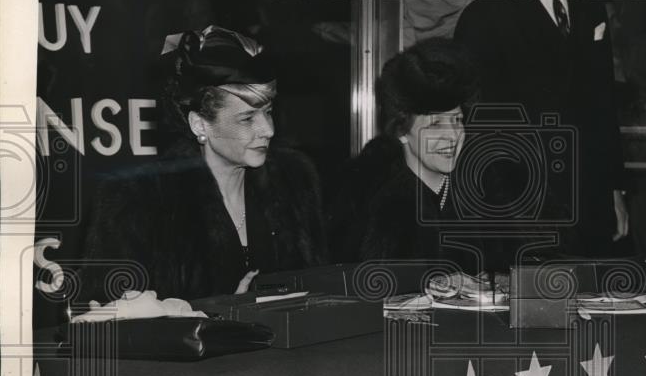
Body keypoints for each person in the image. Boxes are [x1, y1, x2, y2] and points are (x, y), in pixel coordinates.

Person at [80, 25, 326, 303]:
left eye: (268, 112)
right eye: (247, 119)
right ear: (199, 124)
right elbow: (109, 322)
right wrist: (221, 314)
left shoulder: (294, 182)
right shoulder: (139, 200)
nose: (267, 129)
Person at [454, 0, 628, 256]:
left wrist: (614, 190)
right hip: (520, 211)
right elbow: (481, 129)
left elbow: (603, 106)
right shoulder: (484, 17)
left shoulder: (590, 8)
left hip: (590, 202)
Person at [328, 38, 491, 273]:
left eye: (457, 120)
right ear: (402, 131)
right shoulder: (366, 203)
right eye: (435, 124)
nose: (453, 135)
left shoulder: (486, 193)